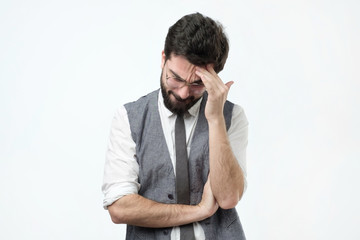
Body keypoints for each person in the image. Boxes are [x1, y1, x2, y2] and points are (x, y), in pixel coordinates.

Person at [102, 12, 248, 240]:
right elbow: (119, 208)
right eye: (175, 78)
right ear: (163, 59)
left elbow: (228, 197)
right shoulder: (128, 118)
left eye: (197, 84)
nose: (183, 92)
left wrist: (216, 120)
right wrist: (200, 210)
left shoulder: (232, 117)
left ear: (215, 77)